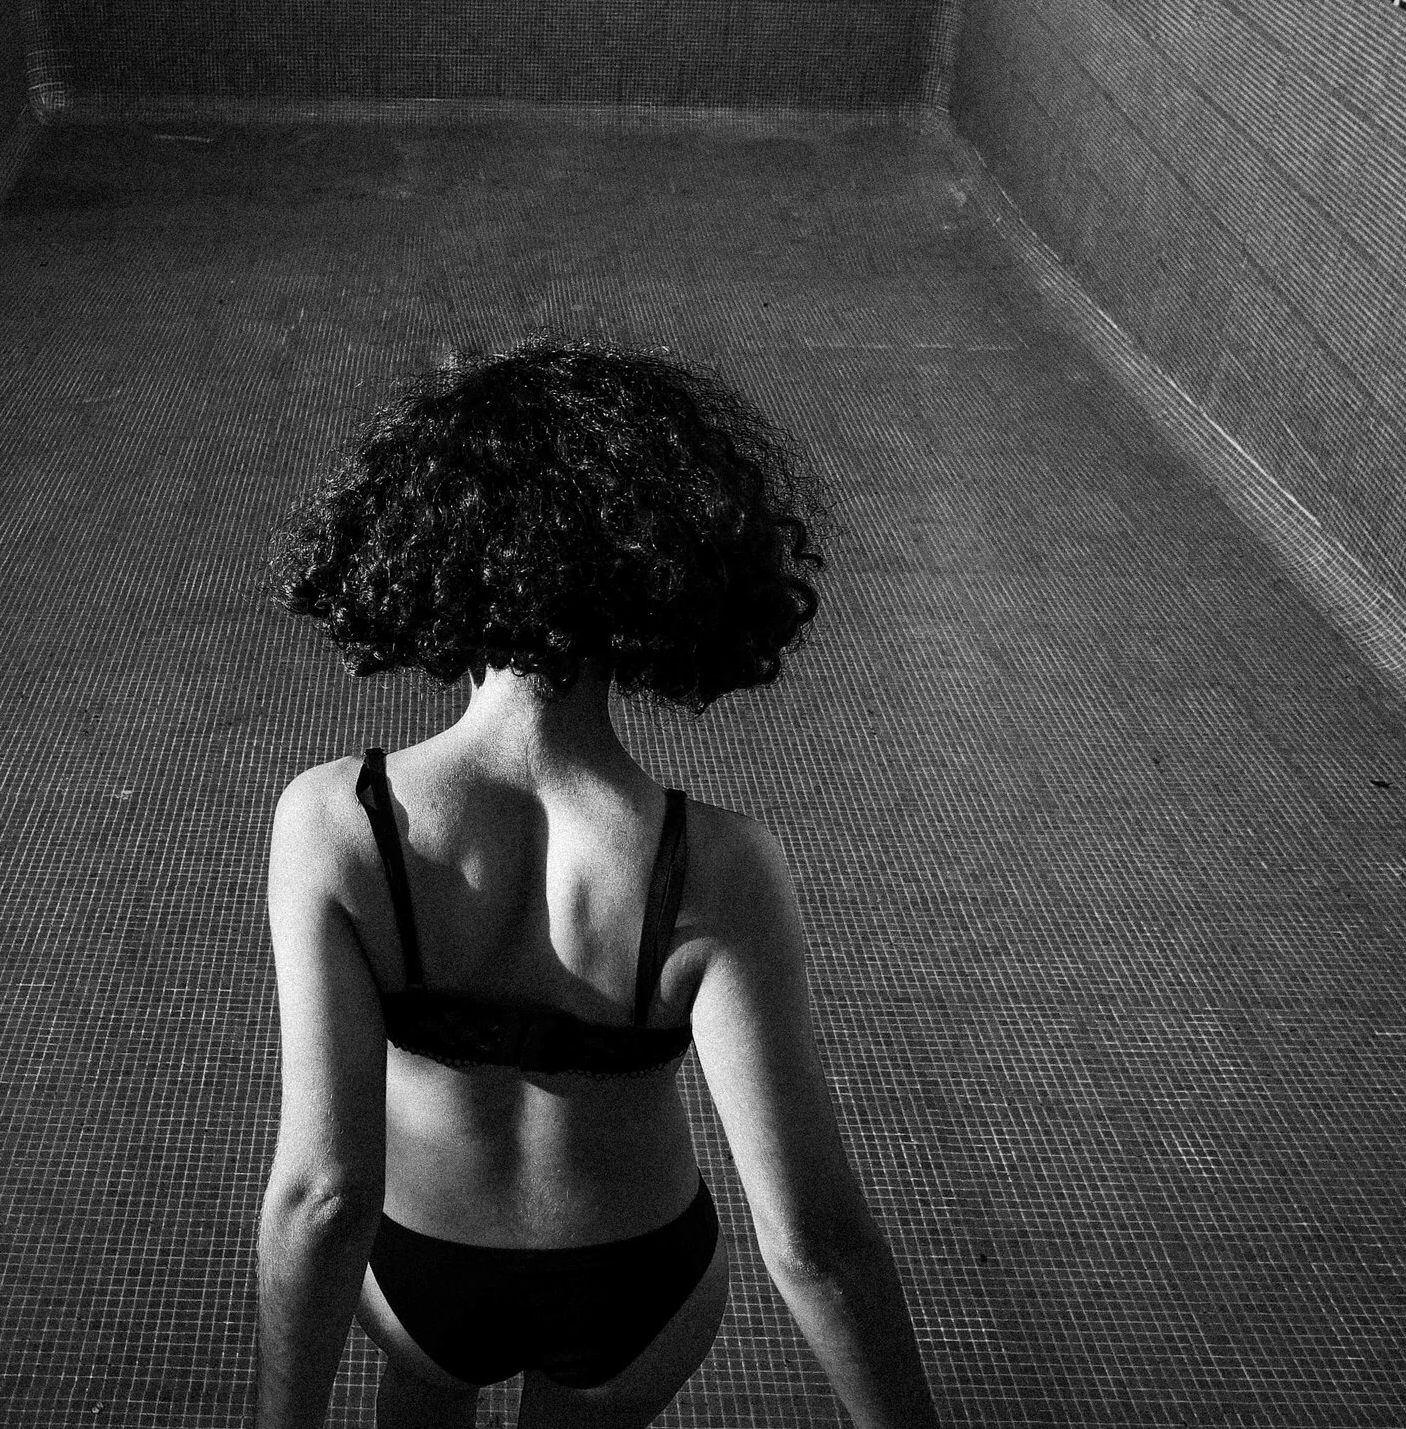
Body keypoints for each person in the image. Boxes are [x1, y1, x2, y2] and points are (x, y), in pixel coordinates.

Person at [255, 340, 942, 1429]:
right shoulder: (719, 867)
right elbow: (814, 1244)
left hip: (421, 1277)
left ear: (432, 551)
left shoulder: (338, 824)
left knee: (420, 1395)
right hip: (636, 1284)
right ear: (658, 576)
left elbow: (324, 1198)